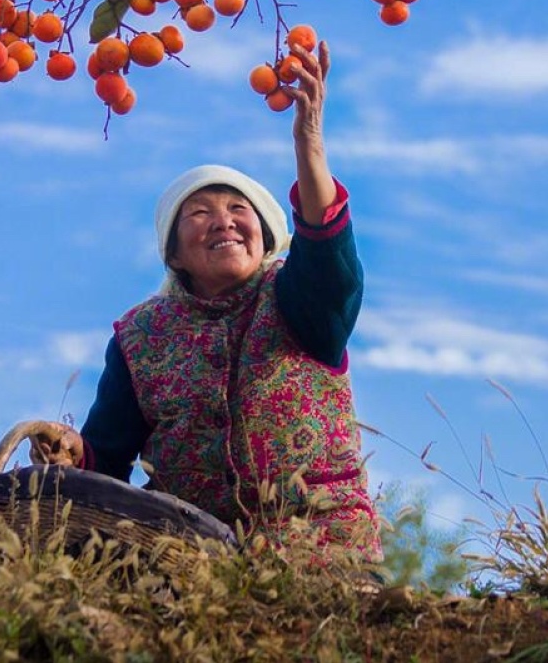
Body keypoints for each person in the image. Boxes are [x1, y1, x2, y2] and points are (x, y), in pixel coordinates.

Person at [30, 40, 381, 563]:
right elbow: (108, 454)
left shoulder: (298, 299)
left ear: (264, 238)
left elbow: (327, 253)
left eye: (239, 209)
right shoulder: (141, 337)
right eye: (199, 213)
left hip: (321, 548)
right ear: (173, 254)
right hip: (184, 559)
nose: (223, 221)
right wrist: (72, 453)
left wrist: (309, 140)